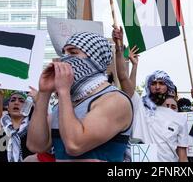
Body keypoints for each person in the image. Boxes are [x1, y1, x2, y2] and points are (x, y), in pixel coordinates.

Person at [27, 31, 133, 162]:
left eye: (73, 53)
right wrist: (44, 93)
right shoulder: (66, 104)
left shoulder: (115, 100)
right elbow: (36, 145)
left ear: (95, 59)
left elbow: (74, 145)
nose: (65, 59)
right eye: (63, 54)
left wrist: (64, 91)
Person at [113, 27, 188, 162]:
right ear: (149, 87)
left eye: (161, 83)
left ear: (168, 88)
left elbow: (182, 156)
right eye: (153, 84)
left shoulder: (180, 119)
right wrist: (120, 49)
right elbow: (123, 78)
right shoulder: (139, 106)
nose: (157, 87)